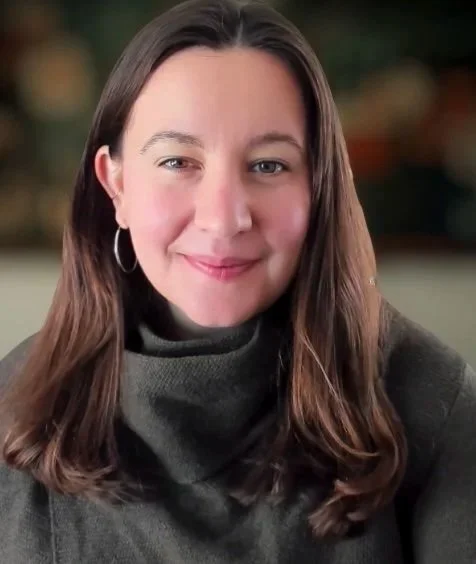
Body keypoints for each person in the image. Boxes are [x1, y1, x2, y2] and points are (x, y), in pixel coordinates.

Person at [0, 0, 475, 562]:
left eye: (269, 166)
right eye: (178, 162)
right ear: (116, 186)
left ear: (319, 187)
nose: (224, 218)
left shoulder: (436, 407)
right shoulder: (13, 411)